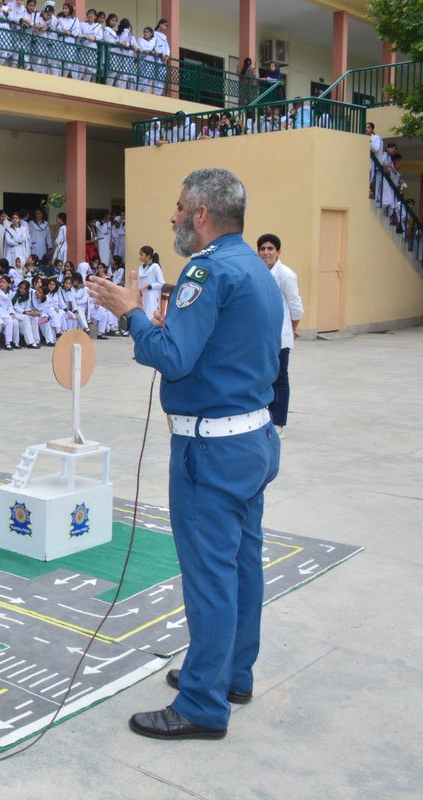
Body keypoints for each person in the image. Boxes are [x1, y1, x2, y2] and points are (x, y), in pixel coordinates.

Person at [87, 168, 282, 741]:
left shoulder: (207, 268)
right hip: (253, 439)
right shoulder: (255, 266)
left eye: (178, 208)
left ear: (201, 213)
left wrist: (130, 312)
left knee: (210, 576)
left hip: (212, 449)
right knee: (242, 565)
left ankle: (201, 704)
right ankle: (231, 675)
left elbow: (173, 357)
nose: (172, 217)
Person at [256, 234, 302, 437]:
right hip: (260, 336)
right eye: (263, 249)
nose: (266, 253)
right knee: (263, 377)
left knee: (280, 378)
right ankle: (264, 418)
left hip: (280, 336)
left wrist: (291, 329)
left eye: (270, 249)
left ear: (278, 252)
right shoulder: (257, 273)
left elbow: (296, 307)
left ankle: (279, 423)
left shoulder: (285, 274)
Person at [137, 245, 165, 320]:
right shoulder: (141, 268)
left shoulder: (155, 267)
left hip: (151, 296)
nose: (139, 257)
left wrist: (148, 286)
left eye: (141, 255)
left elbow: (161, 283)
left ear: (148, 256)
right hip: (142, 296)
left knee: (150, 316)